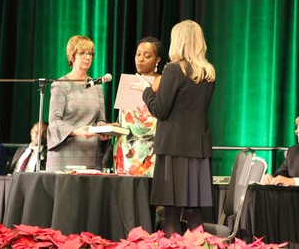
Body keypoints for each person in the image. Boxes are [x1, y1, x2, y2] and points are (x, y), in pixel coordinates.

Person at [130, 20, 216, 236]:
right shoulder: (208, 72)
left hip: (173, 151)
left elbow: (160, 110)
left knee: (171, 211)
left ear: (179, 41)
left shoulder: (174, 70)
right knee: (194, 210)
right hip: (198, 149)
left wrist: (146, 89)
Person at [46, 35, 111, 172]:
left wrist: (105, 129)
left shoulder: (97, 86)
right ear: (72, 56)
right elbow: (54, 121)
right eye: (83, 53)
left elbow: (100, 119)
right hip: (65, 153)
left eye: (90, 54)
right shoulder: (61, 85)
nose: (88, 57)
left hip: (91, 153)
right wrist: (76, 132)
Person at [113, 36, 165, 177]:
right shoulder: (128, 83)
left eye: (147, 56)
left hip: (150, 152)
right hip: (126, 152)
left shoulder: (162, 83)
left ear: (157, 60)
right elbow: (124, 122)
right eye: (138, 54)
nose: (140, 59)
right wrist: (112, 128)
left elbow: (160, 117)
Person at [262, 116, 299, 186]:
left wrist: (293, 181)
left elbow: (290, 181)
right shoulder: (293, 151)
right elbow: (280, 174)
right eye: (298, 133)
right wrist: (270, 178)